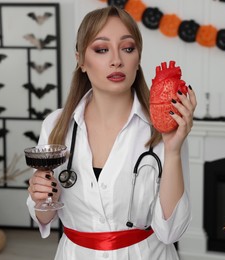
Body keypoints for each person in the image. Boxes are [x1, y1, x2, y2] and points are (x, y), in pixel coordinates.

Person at [27, 5, 197, 260]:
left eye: (128, 48)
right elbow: (44, 216)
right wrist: (40, 196)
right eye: (101, 49)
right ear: (81, 60)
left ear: (138, 58)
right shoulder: (55, 125)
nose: (116, 60)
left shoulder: (166, 128)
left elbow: (171, 233)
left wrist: (172, 150)